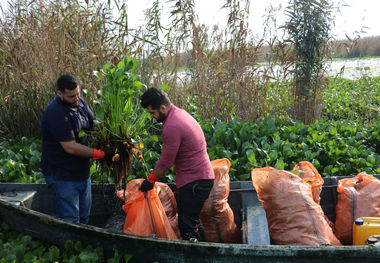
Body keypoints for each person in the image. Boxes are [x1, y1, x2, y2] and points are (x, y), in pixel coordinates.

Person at [139, 87, 215, 241]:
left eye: (152, 113)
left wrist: (150, 180)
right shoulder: (179, 114)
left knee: (187, 227)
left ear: (162, 107)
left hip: (195, 182)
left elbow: (166, 161)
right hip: (201, 178)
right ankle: (207, 253)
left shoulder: (172, 125)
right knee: (192, 222)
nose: (152, 117)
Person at [40, 74, 113, 224]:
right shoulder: (55, 113)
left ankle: (83, 246)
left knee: (85, 217)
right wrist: (100, 154)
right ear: (60, 93)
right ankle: (70, 247)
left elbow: (95, 125)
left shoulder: (80, 104)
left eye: (78, 93)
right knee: (71, 221)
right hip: (62, 174)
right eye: (71, 96)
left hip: (82, 172)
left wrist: (111, 125)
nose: (76, 98)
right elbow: (70, 147)